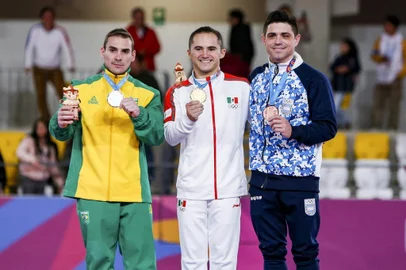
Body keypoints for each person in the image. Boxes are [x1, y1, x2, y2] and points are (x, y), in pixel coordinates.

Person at [49, 28, 164, 270]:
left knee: (142, 265)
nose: (118, 57)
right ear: (103, 52)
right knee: (99, 264)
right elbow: (60, 131)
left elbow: (156, 136)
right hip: (93, 191)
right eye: (113, 50)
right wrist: (60, 122)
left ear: (134, 56)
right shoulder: (79, 90)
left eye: (125, 51)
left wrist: (139, 114)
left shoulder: (147, 94)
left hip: (134, 193)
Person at [248, 10, 337, 270]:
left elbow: (328, 127)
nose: (278, 41)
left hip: (300, 182)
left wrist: (293, 130)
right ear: (263, 39)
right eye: (272, 35)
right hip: (262, 183)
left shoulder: (314, 79)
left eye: (285, 35)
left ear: (296, 39)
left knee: (305, 254)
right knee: (271, 254)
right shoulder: (256, 77)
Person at [164, 26, 250, 270]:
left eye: (211, 48)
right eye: (198, 48)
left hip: (228, 189)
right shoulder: (177, 92)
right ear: (189, 52)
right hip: (191, 190)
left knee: (225, 263)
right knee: (193, 263)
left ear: (222, 52)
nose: (205, 54)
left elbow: (260, 130)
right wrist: (187, 120)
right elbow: (170, 136)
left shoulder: (242, 87)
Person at [24, 6, 75, 120]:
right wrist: (27, 64)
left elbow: (66, 48)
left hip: (54, 69)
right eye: (46, 17)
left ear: (54, 18)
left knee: (62, 91)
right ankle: (45, 119)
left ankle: (69, 115)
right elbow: (29, 47)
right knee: (41, 95)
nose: (48, 19)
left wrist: (70, 64)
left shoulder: (60, 31)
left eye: (50, 17)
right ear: (42, 18)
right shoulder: (35, 31)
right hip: (39, 68)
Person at [370, 15, 406, 130]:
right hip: (381, 77)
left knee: (394, 105)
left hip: (395, 77)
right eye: (385, 25)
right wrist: (381, 58)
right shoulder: (380, 40)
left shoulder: (401, 41)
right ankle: (376, 126)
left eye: (388, 25)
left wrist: (401, 73)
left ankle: (392, 127)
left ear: (394, 27)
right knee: (378, 104)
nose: (386, 27)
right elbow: (374, 54)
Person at [16, 118, 64, 195]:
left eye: (42, 127)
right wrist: (31, 159)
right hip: (28, 177)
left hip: (43, 179)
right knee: (28, 203)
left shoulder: (50, 146)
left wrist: (60, 182)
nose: (40, 130)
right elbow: (19, 152)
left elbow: (52, 166)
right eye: (38, 127)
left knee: (43, 204)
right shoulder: (28, 140)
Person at [330, 37, 361, 129]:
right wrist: (338, 69)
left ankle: (345, 123)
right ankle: (343, 123)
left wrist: (347, 69)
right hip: (337, 87)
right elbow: (332, 67)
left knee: (343, 108)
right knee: (336, 107)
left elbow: (356, 69)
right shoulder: (339, 58)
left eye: (344, 46)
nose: (342, 47)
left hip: (347, 89)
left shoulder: (352, 59)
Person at [126, 7, 161, 71]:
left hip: (148, 66)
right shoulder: (128, 32)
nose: (139, 20)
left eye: (141, 18)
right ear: (133, 18)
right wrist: (137, 53)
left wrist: (146, 51)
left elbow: (157, 47)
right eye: (137, 18)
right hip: (133, 67)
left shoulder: (150, 32)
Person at [223, 8, 254, 78]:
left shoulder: (240, 29)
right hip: (241, 57)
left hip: (241, 58)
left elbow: (241, 46)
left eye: (230, 18)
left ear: (236, 19)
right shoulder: (240, 28)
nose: (229, 21)